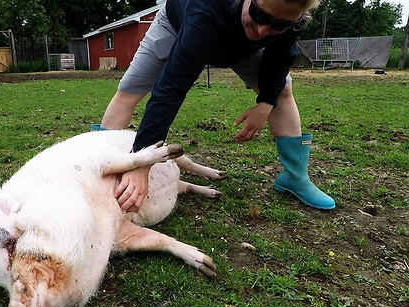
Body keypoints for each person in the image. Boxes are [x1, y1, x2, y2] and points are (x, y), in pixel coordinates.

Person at [91, 0, 335, 212]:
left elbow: (279, 59)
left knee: (282, 90)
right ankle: (95, 168)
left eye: (278, 25)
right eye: (260, 16)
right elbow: (170, 89)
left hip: (241, 47)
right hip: (179, 27)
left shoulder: (291, 19)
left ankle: (295, 176)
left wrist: (265, 104)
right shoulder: (206, 11)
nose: (262, 30)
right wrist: (141, 163)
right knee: (129, 91)